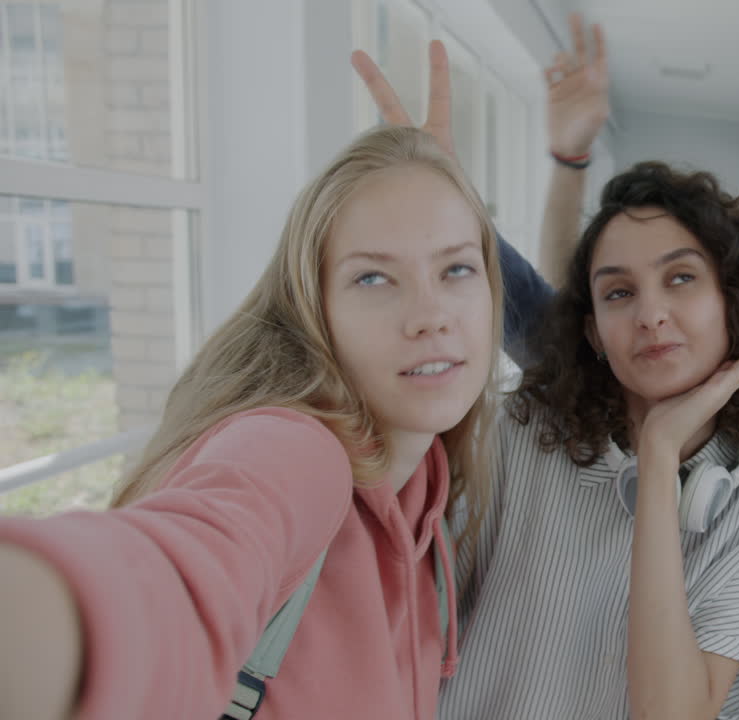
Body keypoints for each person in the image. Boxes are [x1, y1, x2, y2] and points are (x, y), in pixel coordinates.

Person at [358, 24, 739, 718]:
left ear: (735, 300)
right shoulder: (521, 431)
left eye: (682, 279)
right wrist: (434, 211)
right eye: (617, 292)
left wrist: (661, 457)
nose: (651, 314)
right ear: (594, 334)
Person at [0, 96, 505, 717]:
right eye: (373, 278)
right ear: (314, 309)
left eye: (456, 268)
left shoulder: (429, 491)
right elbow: (181, 570)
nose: (431, 316)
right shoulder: (296, 452)